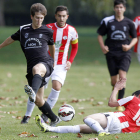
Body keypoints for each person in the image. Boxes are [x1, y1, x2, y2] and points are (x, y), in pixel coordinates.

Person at [0, 3, 60, 126]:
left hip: (45, 64)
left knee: (37, 68)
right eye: (37, 17)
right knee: (38, 100)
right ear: (31, 16)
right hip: (31, 69)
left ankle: (32, 90)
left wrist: (53, 61)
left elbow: (52, 46)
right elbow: (11, 38)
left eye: (42, 18)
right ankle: (54, 118)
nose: (39, 21)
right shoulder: (23, 30)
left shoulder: (47, 31)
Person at [21, 5, 78, 124]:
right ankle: (27, 115)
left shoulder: (72, 30)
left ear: (67, 17)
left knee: (57, 86)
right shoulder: (48, 28)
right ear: (55, 16)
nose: (61, 18)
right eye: (59, 16)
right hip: (45, 63)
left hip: (61, 64)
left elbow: (75, 46)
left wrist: (70, 61)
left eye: (64, 16)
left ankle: (46, 115)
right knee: (35, 91)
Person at [35, 78, 140, 136]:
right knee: (79, 128)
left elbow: (111, 103)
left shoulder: (134, 99)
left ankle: (101, 132)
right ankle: (48, 128)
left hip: (116, 120)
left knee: (88, 118)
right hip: (119, 130)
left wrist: (116, 88)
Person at [97, 0, 137, 111]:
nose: (119, 9)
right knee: (114, 81)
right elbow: (100, 35)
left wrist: (129, 47)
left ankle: (119, 104)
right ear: (114, 8)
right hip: (111, 53)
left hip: (124, 53)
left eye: (121, 7)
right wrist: (103, 47)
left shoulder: (129, 23)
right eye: (117, 7)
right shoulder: (107, 21)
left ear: (124, 8)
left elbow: (135, 38)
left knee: (122, 76)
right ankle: (115, 92)